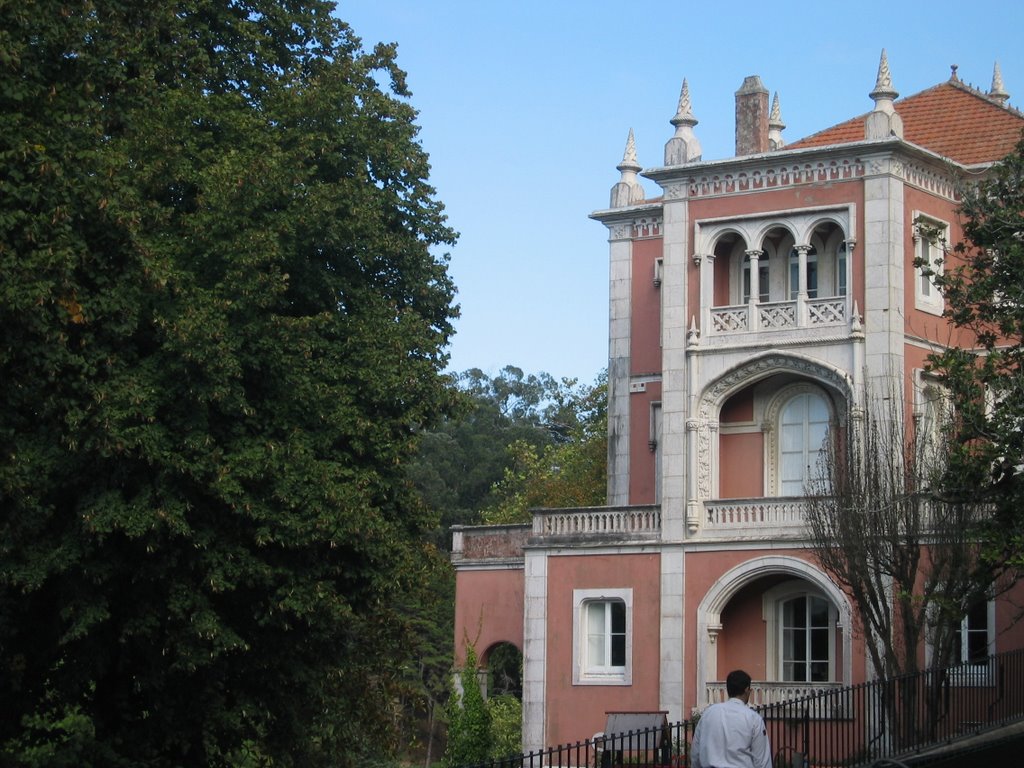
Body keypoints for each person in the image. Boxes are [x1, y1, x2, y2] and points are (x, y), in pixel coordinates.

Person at [690, 669, 772, 768]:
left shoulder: (708, 714)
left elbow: (696, 754)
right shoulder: (753, 718)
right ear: (747, 690)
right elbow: (762, 761)